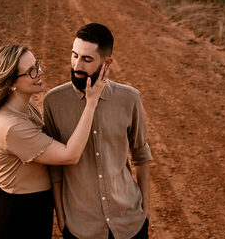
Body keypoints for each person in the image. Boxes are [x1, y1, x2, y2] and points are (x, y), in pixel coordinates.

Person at [0, 43, 110, 239]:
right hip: (16, 218)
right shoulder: (11, 126)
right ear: (10, 83)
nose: (40, 72)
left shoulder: (26, 106)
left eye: (37, 64)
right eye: (31, 71)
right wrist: (91, 103)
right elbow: (70, 155)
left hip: (35, 209)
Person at [42, 23, 152, 239]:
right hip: (80, 226)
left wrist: (145, 211)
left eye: (87, 59)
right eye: (74, 56)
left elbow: (141, 154)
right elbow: (55, 168)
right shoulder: (53, 102)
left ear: (106, 62)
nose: (76, 65)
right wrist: (61, 217)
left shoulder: (129, 98)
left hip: (129, 222)